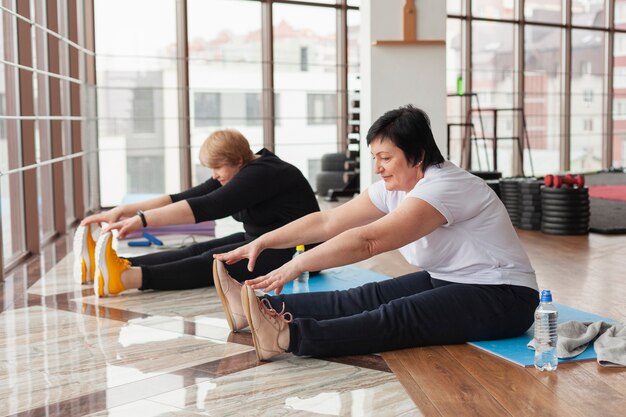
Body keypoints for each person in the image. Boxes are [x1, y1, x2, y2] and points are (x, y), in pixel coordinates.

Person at [212, 105, 539, 361]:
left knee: (399, 315)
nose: (378, 167)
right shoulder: (396, 186)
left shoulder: (446, 187)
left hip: (504, 295)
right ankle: (256, 309)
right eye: (375, 158)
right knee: (364, 297)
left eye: (386, 158)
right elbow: (327, 222)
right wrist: (263, 242)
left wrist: (295, 264)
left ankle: (286, 338)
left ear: (418, 156)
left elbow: (368, 241)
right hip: (452, 278)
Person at [75, 129, 320, 302]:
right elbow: (181, 197)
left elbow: (207, 206)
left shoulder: (263, 173)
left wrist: (141, 221)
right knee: (197, 251)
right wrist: (122, 211)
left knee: (214, 263)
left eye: (217, 168)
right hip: (265, 241)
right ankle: (111, 265)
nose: (214, 175)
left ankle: (127, 278)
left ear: (237, 160)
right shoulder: (238, 170)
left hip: (299, 253)